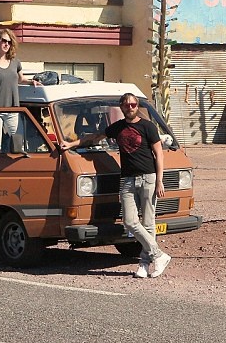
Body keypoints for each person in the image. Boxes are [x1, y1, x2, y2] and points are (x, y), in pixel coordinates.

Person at [60, 93, 172, 279]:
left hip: (148, 178)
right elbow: (94, 137)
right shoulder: (118, 127)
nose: (130, 107)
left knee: (149, 223)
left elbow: (159, 154)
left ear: (137, 106)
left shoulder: (147, 126)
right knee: (130, 221)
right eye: (127, 104)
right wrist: (70, 144)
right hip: (127, 179)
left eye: (133, 104)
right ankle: (158, 255)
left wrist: (159, 180)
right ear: (121, 107)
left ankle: (144, 264)